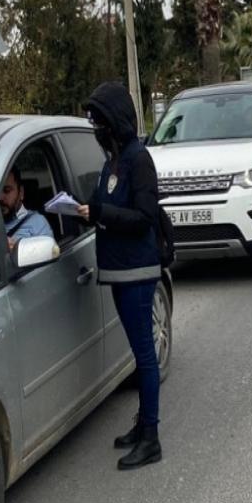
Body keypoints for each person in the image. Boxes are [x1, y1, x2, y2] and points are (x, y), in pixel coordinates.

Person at [77, 81, 163, 471]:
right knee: (137, 353)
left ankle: (151, 438)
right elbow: (105, 204)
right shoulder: (112, 160)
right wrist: (84, 209)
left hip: (137, 271)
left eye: (100, 121)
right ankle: (142, 424)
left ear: (114, 121)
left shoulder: (138, 159)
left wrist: (101, 214)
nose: (96, 128)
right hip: (117, 270)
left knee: (144, 356)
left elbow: (144, 217)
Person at [0, 166, 54, 249]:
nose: (0, 198)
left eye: (7, 191)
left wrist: (17, 250)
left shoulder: (37, 224)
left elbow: (49, 252)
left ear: (21, 192)